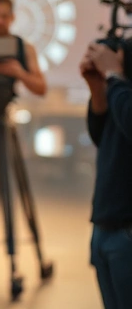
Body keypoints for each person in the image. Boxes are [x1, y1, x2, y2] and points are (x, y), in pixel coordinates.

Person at [80, 43, 132, 309]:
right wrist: (98, 90)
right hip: (106, 222)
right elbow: (104, 135)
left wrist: (113, 75)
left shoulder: (120, 80)